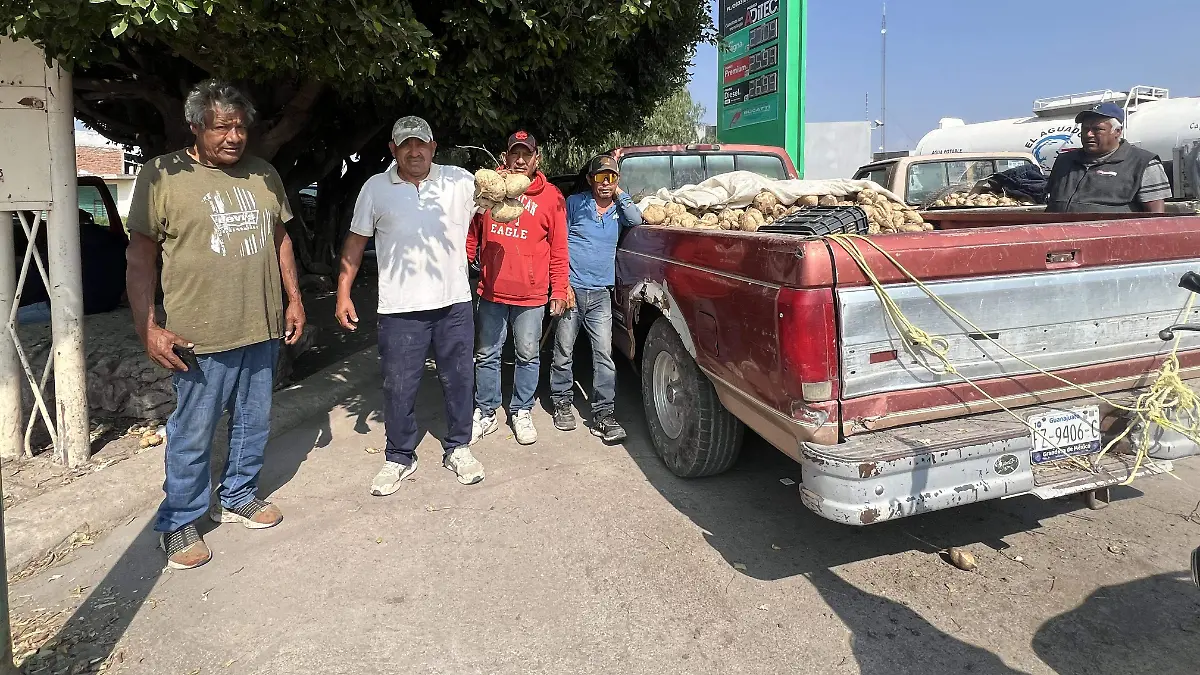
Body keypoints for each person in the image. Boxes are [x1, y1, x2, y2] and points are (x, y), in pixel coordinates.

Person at [125, 80, 305, 570]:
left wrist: (294, 299)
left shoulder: (263, 174)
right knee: (194, 428)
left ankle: (240, 493)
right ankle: (179, 519)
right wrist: (148, 326)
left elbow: (280, 238)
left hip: (262, 325)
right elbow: (140, 258)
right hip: (197, 333)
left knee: (254, 420)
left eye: (240, 126)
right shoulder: (162, 175)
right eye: (222, 126)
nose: (234, 136)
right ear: (195, 126)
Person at [337, 116, 485, 494]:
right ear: (394, 150)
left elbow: (499, 203)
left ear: (434, 147)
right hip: (400, 309)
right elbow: (356, 243)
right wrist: (343, 292)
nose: (414, 151)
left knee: (459, 380)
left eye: (421, 144)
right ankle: (399, 455)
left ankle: (459, 447)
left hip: (454, 304)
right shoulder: (375, 188)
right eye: (406, 145)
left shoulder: (460, 181)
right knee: (398, 386)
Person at [466, 131, 569, 446]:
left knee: (528, 355)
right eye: (515, 154)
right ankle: (486, 411)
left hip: (531, 296)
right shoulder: (489, 190)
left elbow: (559, 250)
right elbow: (471, 233)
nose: (520, 160)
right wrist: (464, 264)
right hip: (492, 292)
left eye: (526, 154)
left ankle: (521, 410)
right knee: (486, 354)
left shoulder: (551, 197)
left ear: (536, 158)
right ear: (505, 157)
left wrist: (559, 290)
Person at [550, 155, 642, 442]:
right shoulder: (575, 204)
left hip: (602, 294)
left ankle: (604, 414)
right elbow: (557, 242)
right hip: (573, 291)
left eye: (611, 177)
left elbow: (637, 220)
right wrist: (561, 285)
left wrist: (620, 194)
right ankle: (562, 403)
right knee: (563, 351)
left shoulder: (619, 209)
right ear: (590, 180)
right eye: (600, 177)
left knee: (604, 356)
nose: (606, 183)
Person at [1045, 102, 1170, 213]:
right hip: (1059, 235)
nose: (1089, 134)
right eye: (1085, 129)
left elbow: (1156, 217)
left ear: (1117, 132)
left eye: (1097, 129)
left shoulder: (1143, 163)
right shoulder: (1064, 161)